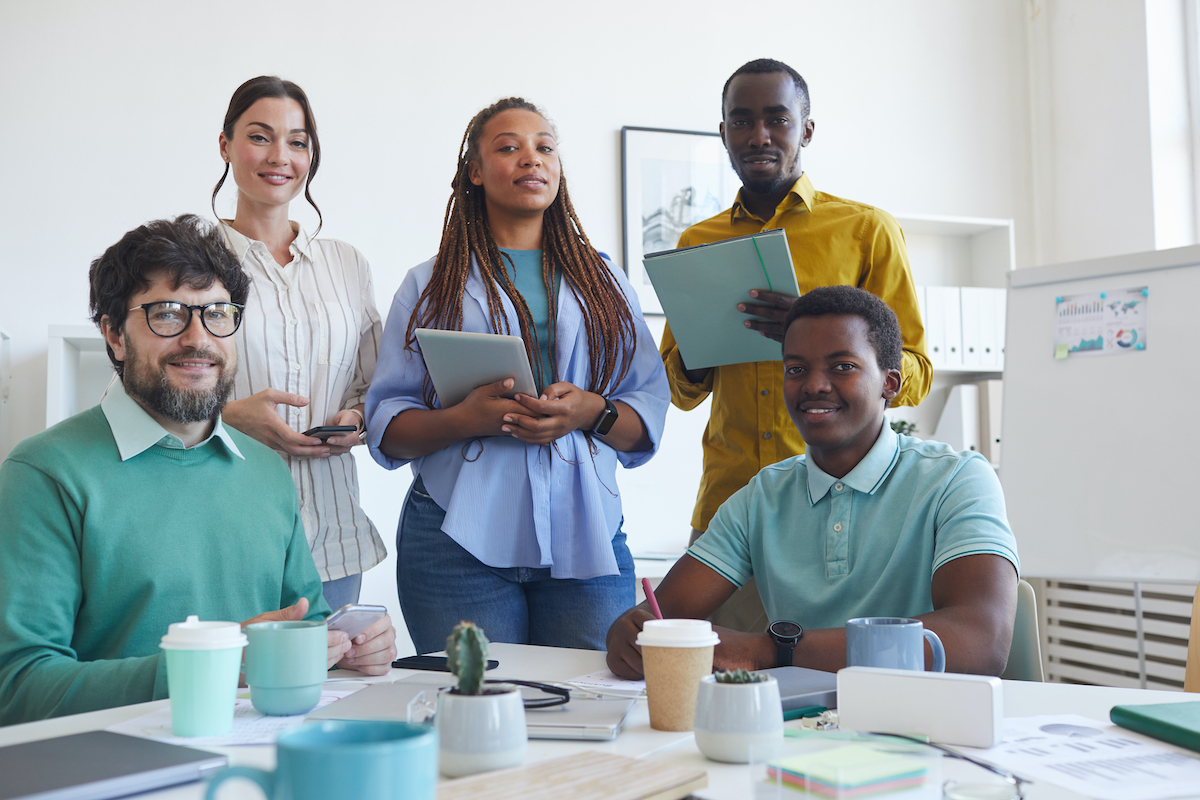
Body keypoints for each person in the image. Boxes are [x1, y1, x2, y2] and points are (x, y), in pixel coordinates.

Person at [0, 216, 396, 725]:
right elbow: (17, 686)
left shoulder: (265, 471)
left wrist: (348, 649)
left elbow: (308, 625)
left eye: (217, 313)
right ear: (114, 335)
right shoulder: (44, 474)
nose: (198, 338)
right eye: (167, 314)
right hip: (116, 759)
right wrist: (214, 665)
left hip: (259, 755)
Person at [366, 98, 669, 654]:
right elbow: (388, 429)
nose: (532, 158)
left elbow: (644, 417)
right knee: (476, 701)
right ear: (475, 172)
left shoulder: (605, 282)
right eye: (509, 147)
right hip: (455, 537)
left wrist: (589, 411)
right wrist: (463, 420)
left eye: (544, 147)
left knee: (591, 697)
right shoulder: (430, 284)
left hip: (584, 536)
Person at [608, 286, 1018, 679]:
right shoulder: (762, 496)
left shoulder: (956, 479)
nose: (814, 385)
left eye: (843, 366)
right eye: (796, 369)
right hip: (800, 719)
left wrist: (774, 650)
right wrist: (629, 634)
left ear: (890, 383)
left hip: (920, 716)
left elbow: (980, 642)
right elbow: (658, 615)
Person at [661, 59, 934, 633]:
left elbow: (914, 372)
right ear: (724, 133)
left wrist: (814, 332)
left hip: (843, 507)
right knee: (719, 677)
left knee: (840, 676)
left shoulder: (866, 230)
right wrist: (701, 342)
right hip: (728, 512)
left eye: (777, 119)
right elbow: (679, 392)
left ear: (806, 129)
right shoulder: (696, 241)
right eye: (741, 121)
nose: (758, 136)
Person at [213, 76, 387, 612]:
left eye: (297, 141)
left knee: (336, 669)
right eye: (259, 137)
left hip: (333, 542)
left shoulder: (347, 263)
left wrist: (357, 419)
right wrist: (229, 416)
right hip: (225, 536)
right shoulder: (191, 259)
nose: (279, 157)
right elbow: (138, 394)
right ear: (225, 145)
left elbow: (377, 384)